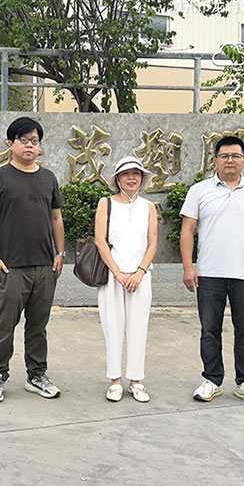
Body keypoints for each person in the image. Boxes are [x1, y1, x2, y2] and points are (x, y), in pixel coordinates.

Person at [179, 135, 244, 406]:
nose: (230, 160)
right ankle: (212, 380)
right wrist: (188, 267)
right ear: (215, 161)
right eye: (224, 156)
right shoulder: (199, 191)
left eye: (235, 156)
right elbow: (187, 230)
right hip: (209, 273)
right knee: (210, 330)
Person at [0, 117, 66, 402]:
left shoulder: (48, 178)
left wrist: (60, 253)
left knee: (38, 325)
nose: (30, 145)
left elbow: (56, 217)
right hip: (11, 265)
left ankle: (36, 375)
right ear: (10, 143)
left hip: (45, 265)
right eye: (24, 139)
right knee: (5, 324)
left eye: (35, 140)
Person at [94, 156, 158, 403]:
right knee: (112, 327)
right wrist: (118, 273)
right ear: (118, 179)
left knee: (138, 328)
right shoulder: (106, 203)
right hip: (113, 277)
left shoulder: (149, 207)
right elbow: (100, 241)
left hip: (140, 277)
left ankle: (136, 380)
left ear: (142, 179)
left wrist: (140, 272)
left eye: (136, 173)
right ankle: (115, 381)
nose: (131, 178)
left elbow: (152, 243)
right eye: (126, 174)